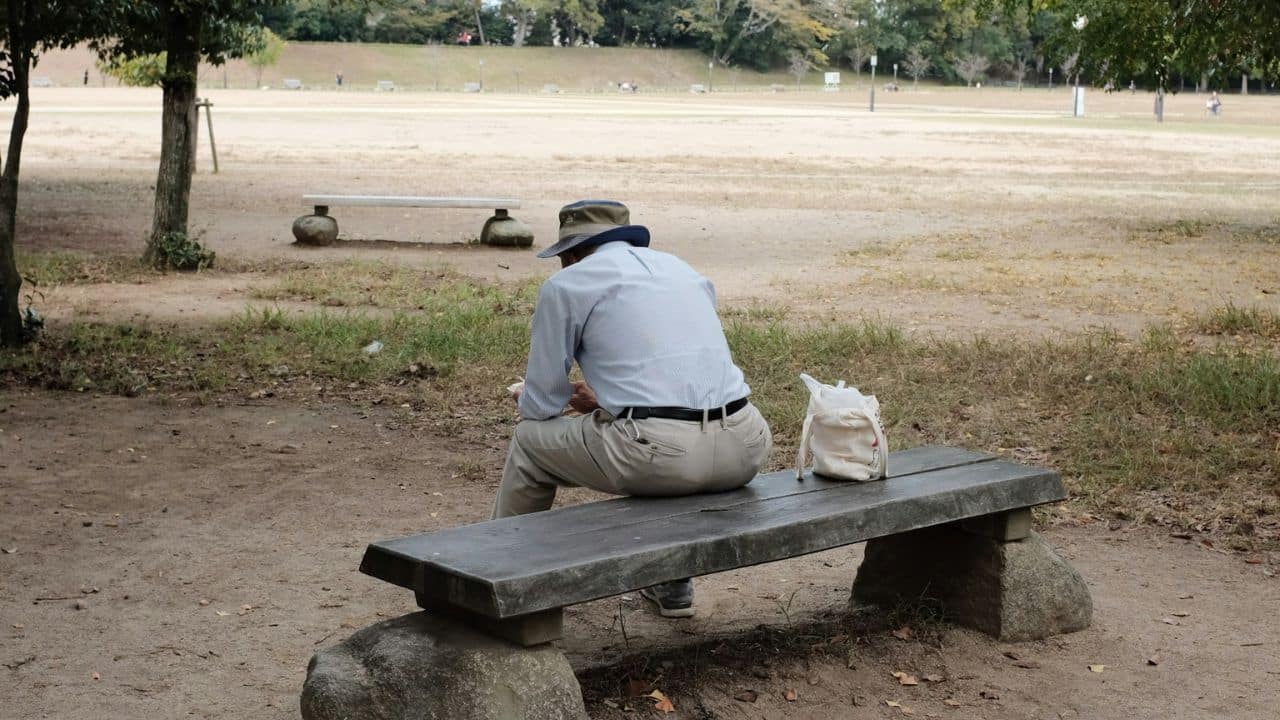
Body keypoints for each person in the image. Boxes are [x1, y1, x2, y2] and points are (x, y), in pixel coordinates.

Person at [498, 200, 773, 618]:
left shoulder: (568, 285)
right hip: (746, 444)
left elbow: (541, 404)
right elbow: (680, 370)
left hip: (661, 455)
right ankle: (672, 580)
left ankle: (499, 577)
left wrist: (529, 398)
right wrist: (610, 401)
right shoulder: (682, 269)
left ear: (571, 253)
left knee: (530, 444)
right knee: (657, 446)